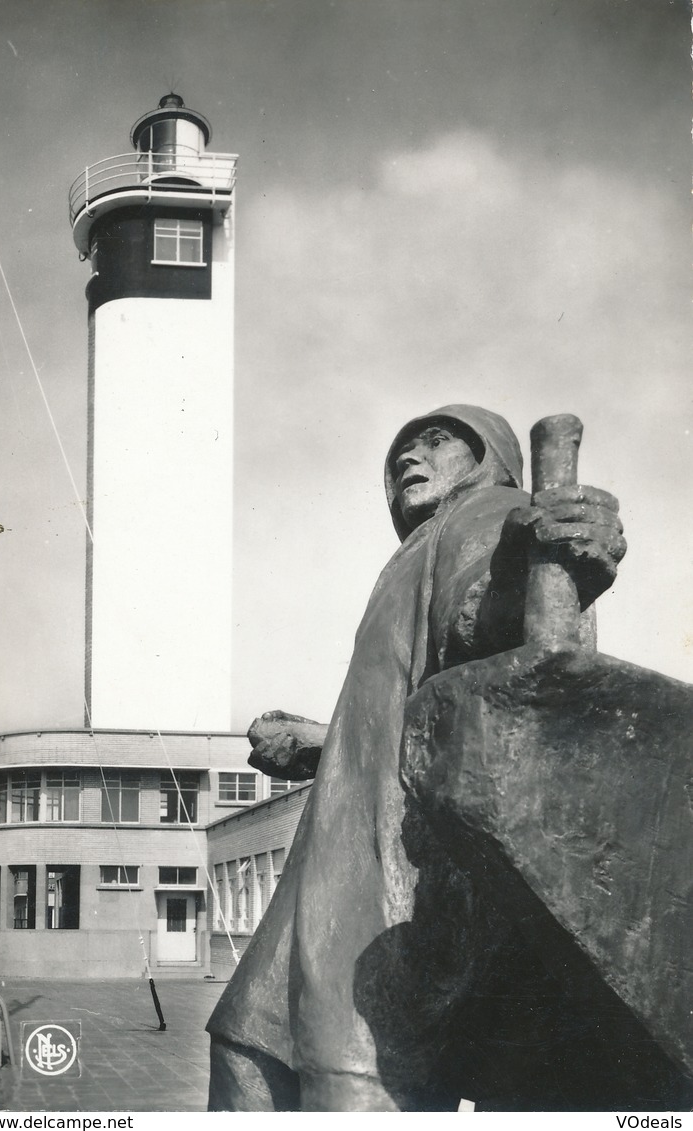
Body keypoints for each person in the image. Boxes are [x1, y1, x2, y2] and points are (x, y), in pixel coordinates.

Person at [206, 405, 625, 1112]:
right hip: (341, 847)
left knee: (347, 1071)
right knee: (252, 1047)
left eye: (437, 440)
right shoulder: (412, 551)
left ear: (489, 458)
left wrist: (550, 560)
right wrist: (319, 741)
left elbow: (487, 622)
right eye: (401, 448)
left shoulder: (484, 514)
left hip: (392, 862)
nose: (410, 455)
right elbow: (420, 698)